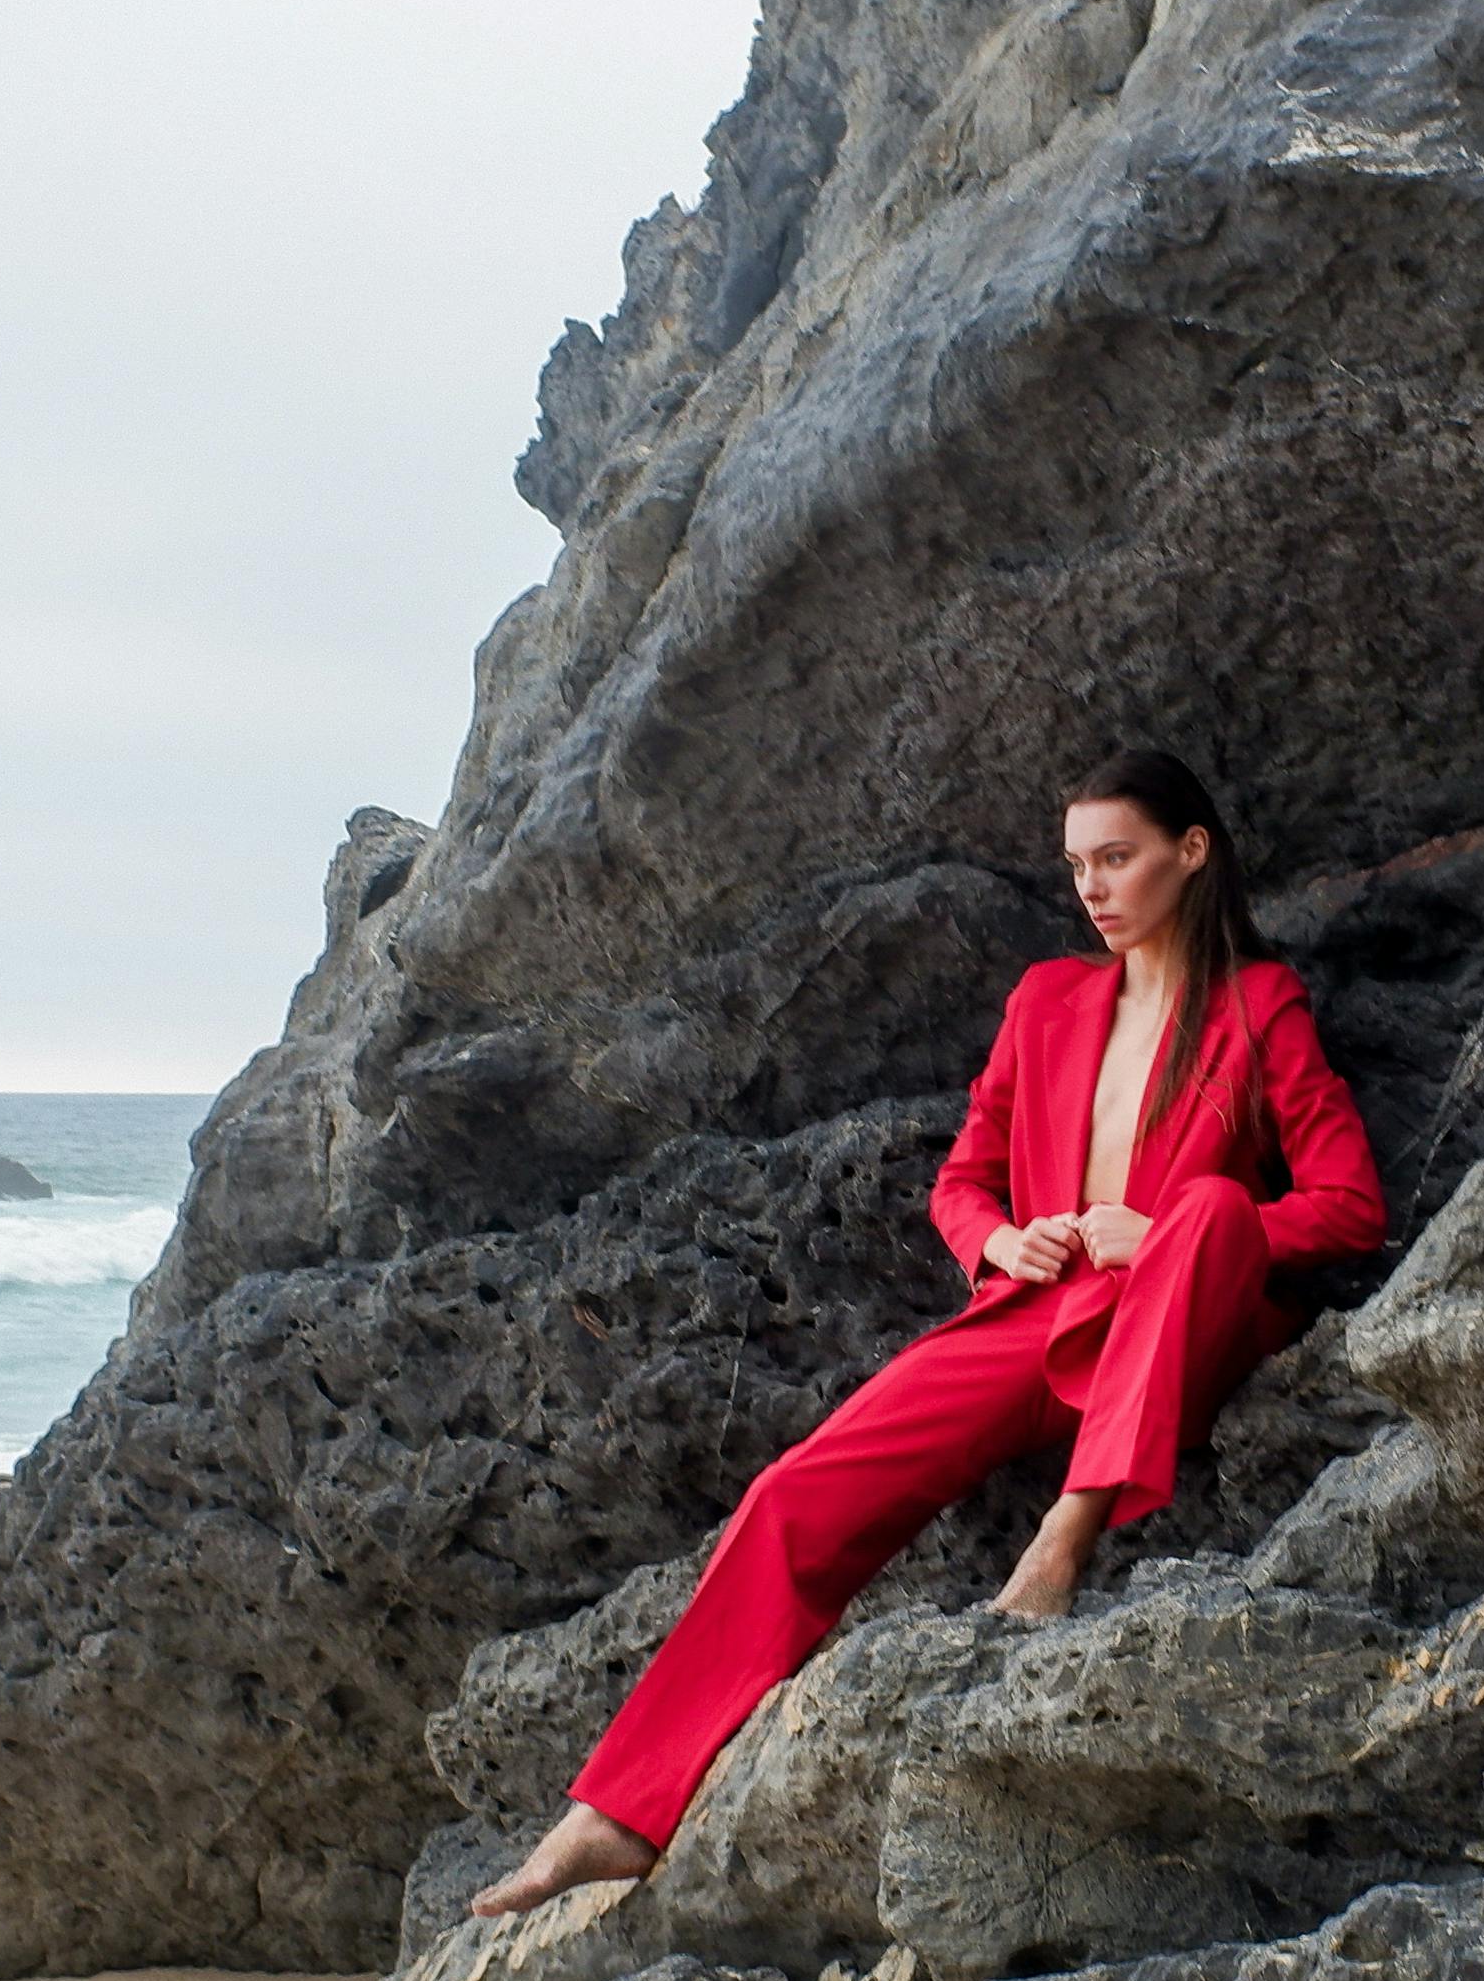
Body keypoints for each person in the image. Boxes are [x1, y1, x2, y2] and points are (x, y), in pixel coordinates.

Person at [468, 750, 1386, 1916]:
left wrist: (1146, 1230)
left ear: (1188, 852)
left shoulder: (1258, 1007)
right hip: (1033, 1315)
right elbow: (963, 1181)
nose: (1092, 889)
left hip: (1180, 1314)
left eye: (1117, 858)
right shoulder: (1047, 1001)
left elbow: (1347, 1204)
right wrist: (999, 1246)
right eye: (1075, 867)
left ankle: (1062, 1540)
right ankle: (612, 1815)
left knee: (1207, 1205)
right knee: (798, 1493)